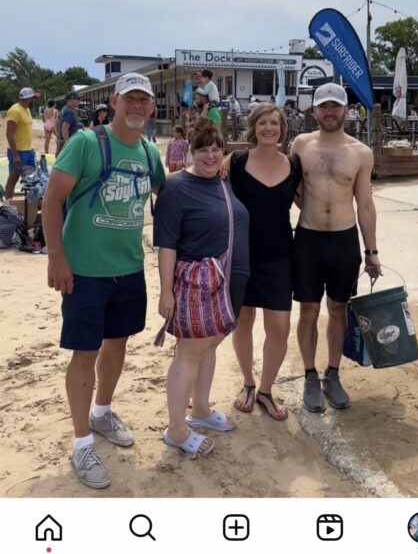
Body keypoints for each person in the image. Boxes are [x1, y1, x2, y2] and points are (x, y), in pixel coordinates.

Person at [42, 72, 166, 489]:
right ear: (114, 102)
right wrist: (56, 257)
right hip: (85, 273)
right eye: (129, 98)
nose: (136, 106)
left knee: (118, 344)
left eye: (143, 100)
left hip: (129, 268)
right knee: (84, 353)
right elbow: (52, 200)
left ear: (151, 108)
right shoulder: (86, 143)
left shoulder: (150, 154)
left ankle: (102, 412)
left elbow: (169, 194)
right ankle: (81, 444)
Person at [154, 116, 250, 456]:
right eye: (203, 150)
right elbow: (165, 243)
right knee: (189, 352)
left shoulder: (224, 181)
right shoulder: (176, 188)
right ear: (190, 152)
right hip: (198, 283)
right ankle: (177, 430)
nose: (210, 156)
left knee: (209, 347)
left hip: (228, 282)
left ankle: (201, 410)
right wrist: (166, 292)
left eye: (216, 149)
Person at [291, 83, 381, 413]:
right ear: (314, 111)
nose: (330, 112)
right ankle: (309, 376)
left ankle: (332, 373)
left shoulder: (361, 152)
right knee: (309, 310)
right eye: (323, 107)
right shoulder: (300, 145)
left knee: (339, 309)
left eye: (336, 106)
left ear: (346, 111)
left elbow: (366, 205)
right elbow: (291, 189)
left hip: (344, 241)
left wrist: (371, 251)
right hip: (308, 239)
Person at [223, 104, 302, 420]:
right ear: (253, 128)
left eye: (275, 123)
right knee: (243, 321)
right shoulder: (237, 161)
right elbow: (204, 183)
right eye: (263, 123)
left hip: (280, 254)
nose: (269, 128)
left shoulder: (294, 165)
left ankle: (266, 389)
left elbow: (308, 201)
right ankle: (248, 382)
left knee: (280, 327)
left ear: (283, 128)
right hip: (241, 255)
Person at [5, 86, 40, 199]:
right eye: (33, 98)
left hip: (29, 151)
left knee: (31, 181)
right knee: (13, 178)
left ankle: (30, 206)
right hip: (18, 152)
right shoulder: (15, 111)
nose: (33, 100)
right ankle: (8, 206)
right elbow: (9, 134)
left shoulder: (27, 110)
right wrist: (15, 155)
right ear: (28, 99)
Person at [56, 92, 81, 157]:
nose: (79, 101)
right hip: (66, 142)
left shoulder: (65, 109)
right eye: (78, 99)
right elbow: (65, 129)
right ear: (71, 100)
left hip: (62, 140)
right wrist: (68, 144)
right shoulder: (69, 112)